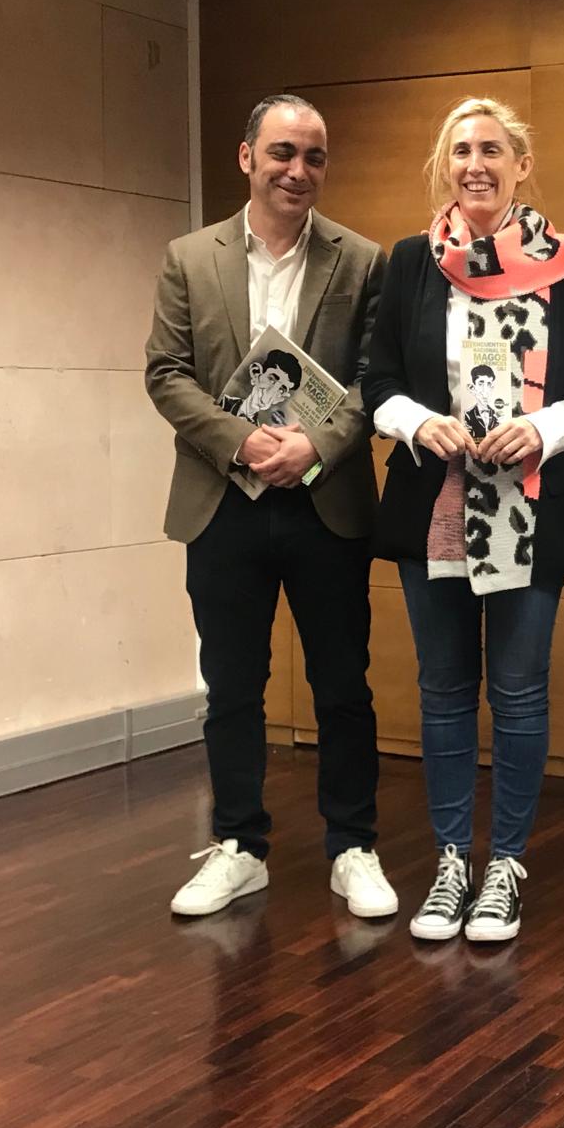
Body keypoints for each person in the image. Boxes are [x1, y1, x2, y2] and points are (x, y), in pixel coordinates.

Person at [146, 94, 395, 921]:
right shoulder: (190, 258)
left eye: (315, 157)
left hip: (325, 504)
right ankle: (239, 847)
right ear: (246, 156)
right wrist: (241, 443)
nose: (299, 170)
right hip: (224, 505)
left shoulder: (362, 260)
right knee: (232, 687)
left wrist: (316, 446)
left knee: (341, 686)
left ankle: (352, 846)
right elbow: (165, 373)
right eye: (283, 152)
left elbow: (375, 380)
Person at [364, 97, 564, 944]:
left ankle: (506, 866)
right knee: (444, 691)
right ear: (445, 162)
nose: (475, 164)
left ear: (521, 164)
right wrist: (414, 422)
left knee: (520, 691)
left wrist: (539, 429)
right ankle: (451, 861)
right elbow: (377, 375)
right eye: (461, 150)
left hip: (528, 500)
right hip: (436, 496)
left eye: (492, 150)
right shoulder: (409, 262)